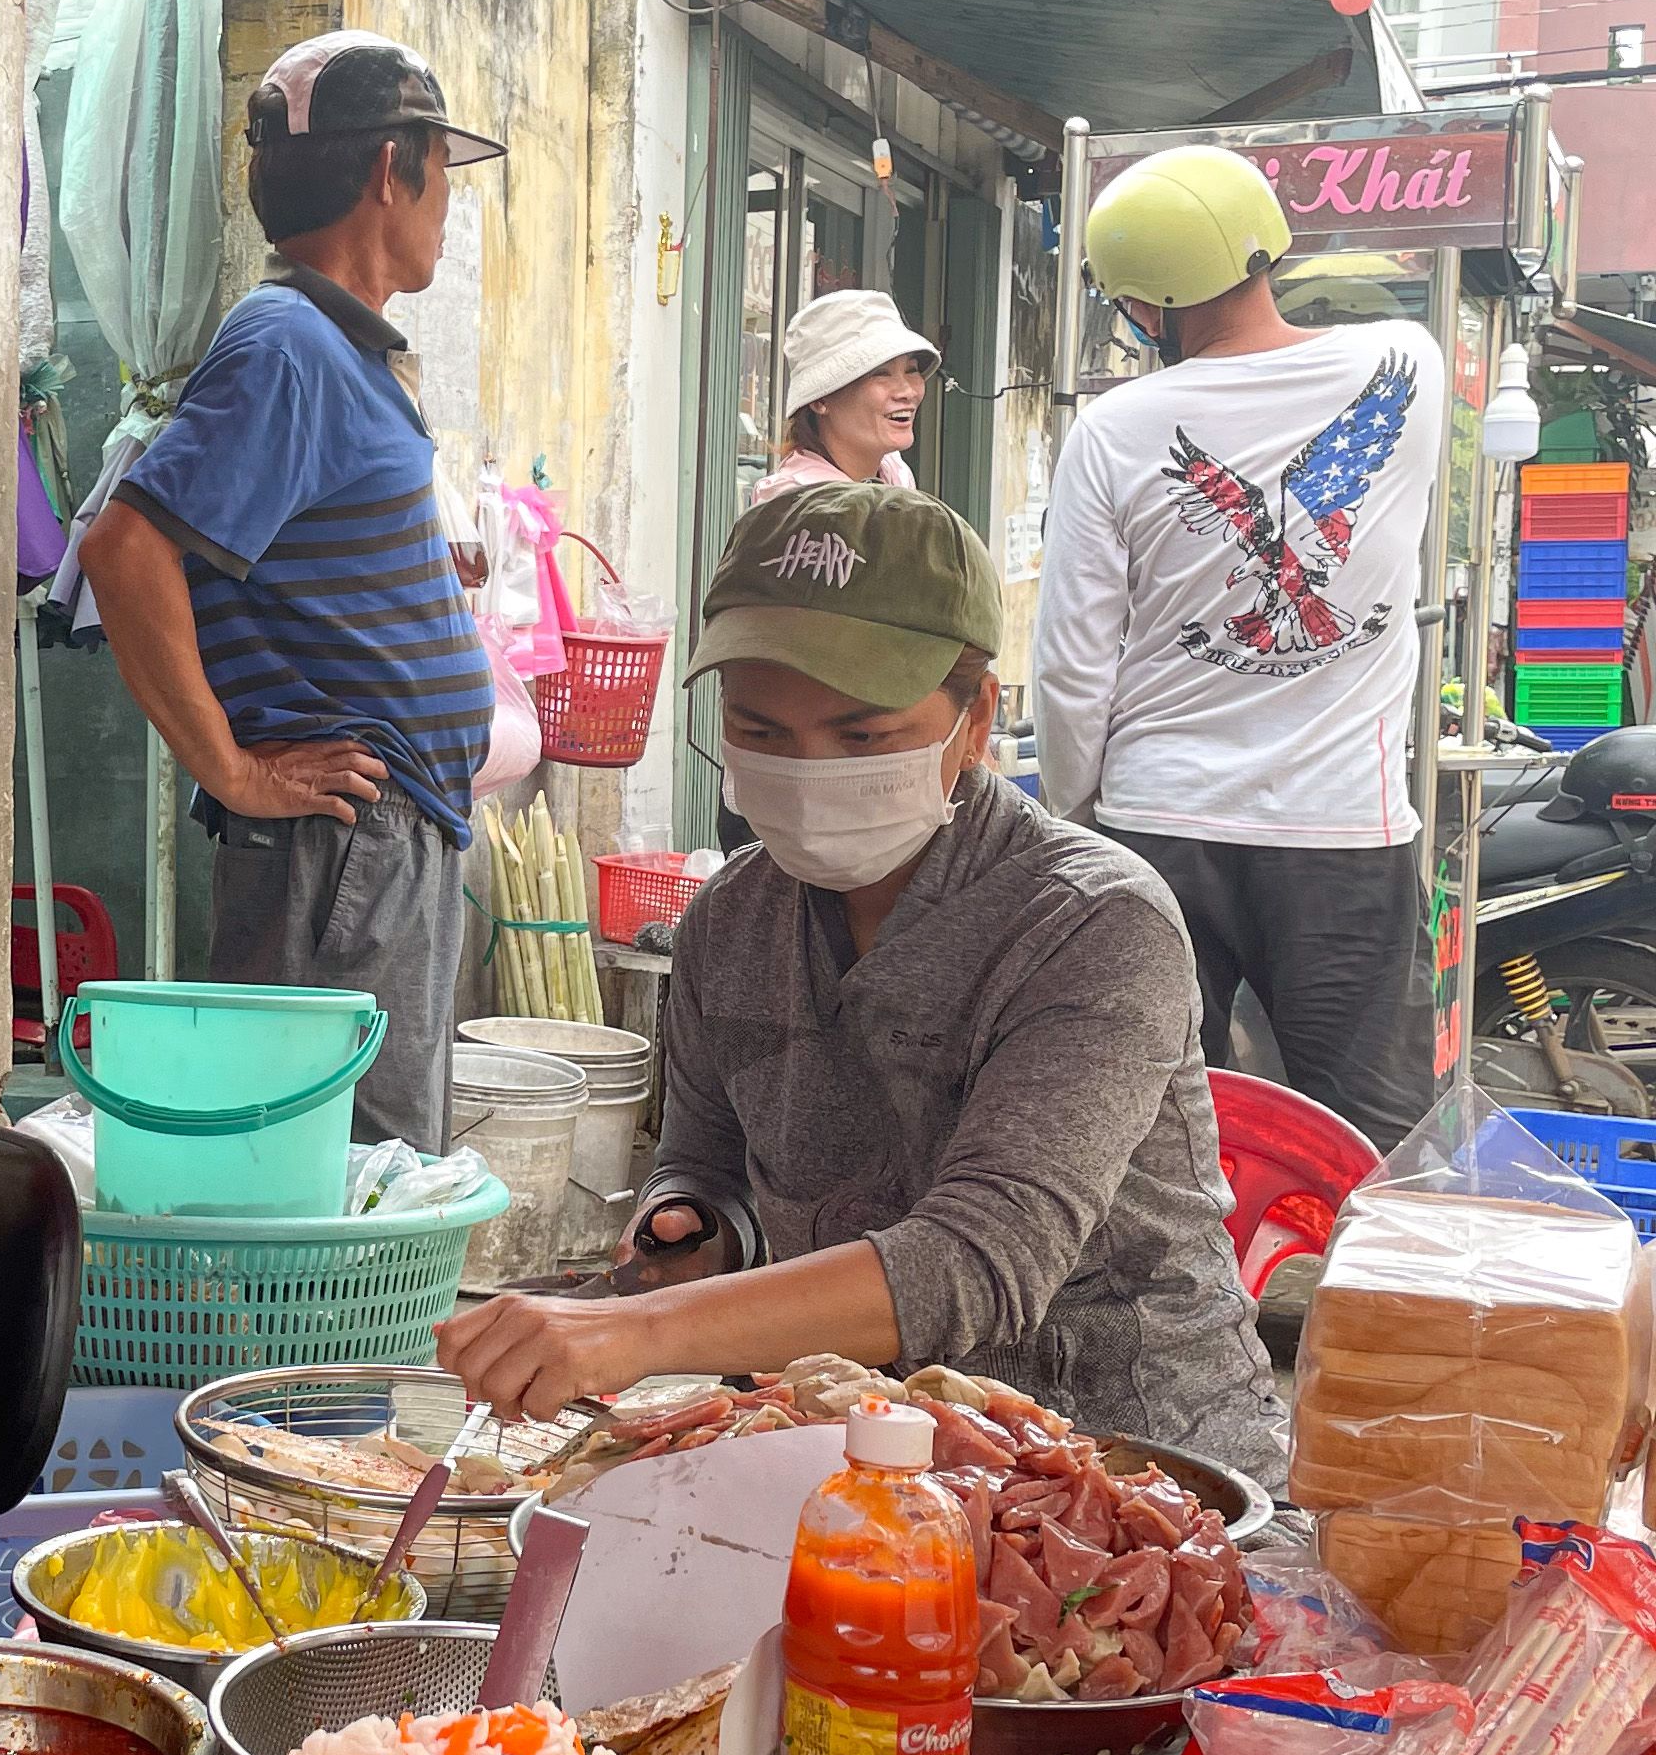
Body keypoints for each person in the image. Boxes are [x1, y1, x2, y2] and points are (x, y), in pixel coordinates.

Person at [439, 480, 1286, 1473]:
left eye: (862, 738)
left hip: (1123, 1466)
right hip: (848, 1455)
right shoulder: (729, 920)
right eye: (761, 733)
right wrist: (695, 1226)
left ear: (977, 722)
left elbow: (980, 1259)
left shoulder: (1094, 921)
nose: (807, 772)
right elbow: (705, 1162)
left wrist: (638, 1333)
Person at [76, 28, 505, 1148]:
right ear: (387, 172)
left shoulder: (336, 350)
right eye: (443, 173)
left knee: (362, 1174)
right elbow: (126, 550)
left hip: (372, 847)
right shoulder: (288, 342)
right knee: (334, 1186)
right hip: (341, 850)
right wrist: (231, 767)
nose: (449, 206)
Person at [1030, 145, 1445, 1146]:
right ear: (1264, 252)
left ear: (1146, 305)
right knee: (1376, 1136)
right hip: (1344, 828)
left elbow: (1074, 664)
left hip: (1162, 826)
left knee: (1155, 1128)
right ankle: (1372, 1302)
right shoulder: (1409, 364)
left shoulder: (1116, 428)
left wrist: (1084, 815)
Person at [751, 288, 938, 501]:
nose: (907, 391)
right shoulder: (799, 507)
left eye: (911, 370)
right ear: (820, 399)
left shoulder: (893, 472)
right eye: (881, 374)